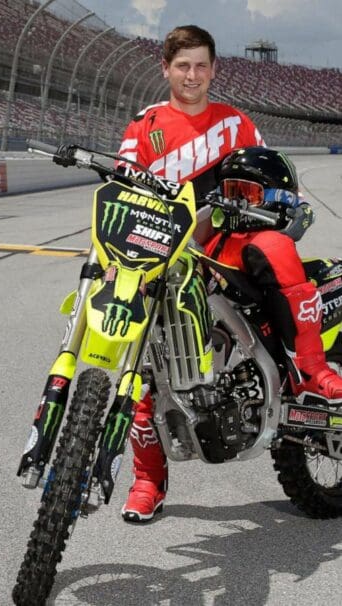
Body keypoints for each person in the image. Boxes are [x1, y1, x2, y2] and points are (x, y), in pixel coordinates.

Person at [115, 24, 342, 524]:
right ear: (166, 69)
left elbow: (277, 177)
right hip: (164, 257)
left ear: (214, 69)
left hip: (229, 250)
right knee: (144, 375)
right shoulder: (144, 126)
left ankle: (311, 365)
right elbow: (123, 190)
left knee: (277, 248)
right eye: (182, 66)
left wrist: (290, 212)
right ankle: (148, 480)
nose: (192, 75)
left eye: (201, 65)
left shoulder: (237, 124)